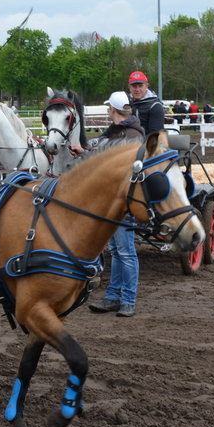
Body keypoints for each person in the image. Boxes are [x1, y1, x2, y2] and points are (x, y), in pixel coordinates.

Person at [81, 91, 145, 317]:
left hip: (122, 200)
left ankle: (128, 300)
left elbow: (113, 161)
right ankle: (112, 297)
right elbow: (100, 152)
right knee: (117, 251)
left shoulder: (131, 135)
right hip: (111, 200)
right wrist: (84, 150)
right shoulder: (118, 132)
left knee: (126, 252)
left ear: (113, 110)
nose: (108, 111)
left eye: (109, 108)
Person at [127, 71, 163, 135]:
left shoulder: (155, 106)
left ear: (146, 86)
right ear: (129, 87)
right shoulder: (125, 104)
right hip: (128, 141)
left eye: (140, 86)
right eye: (134, 86)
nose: (137, 89)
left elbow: (154, 135)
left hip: (148, 143)